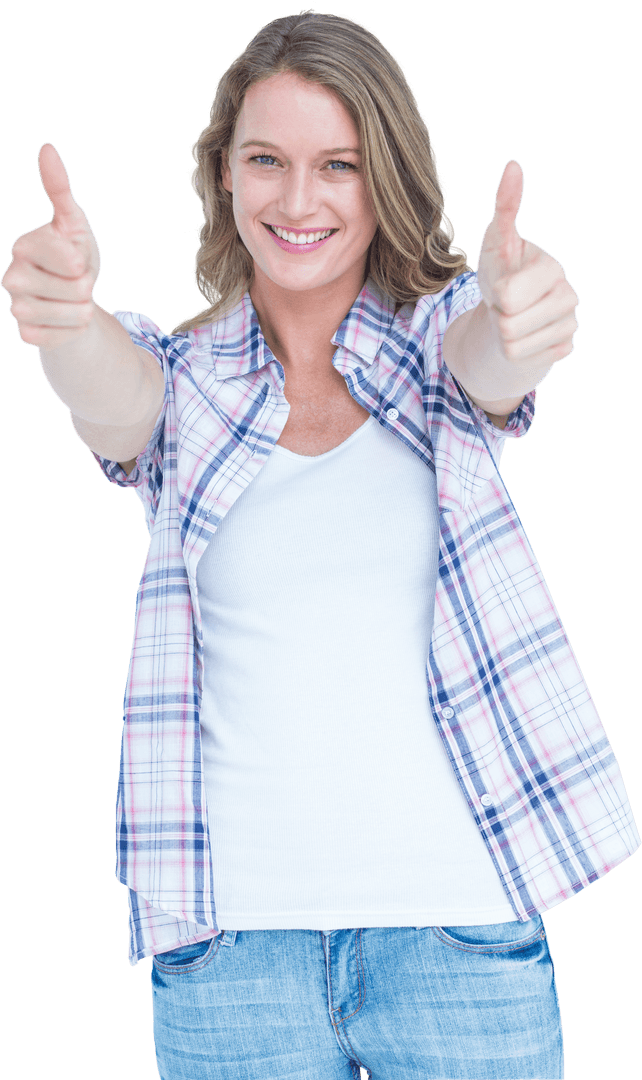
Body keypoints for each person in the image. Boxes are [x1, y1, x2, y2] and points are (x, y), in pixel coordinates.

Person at [2, 9, 639, 1080]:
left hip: (458, 942)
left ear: (382, 175)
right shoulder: (188, 382)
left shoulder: (440, 346)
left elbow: (491, 361)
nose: (298, 201)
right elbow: (113, 399)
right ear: (224, 177)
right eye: (267, 160)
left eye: (337, 165)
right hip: (232, 963)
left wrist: (521, 320)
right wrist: (66, 324)